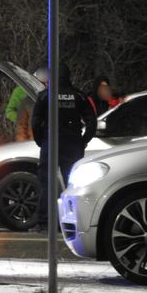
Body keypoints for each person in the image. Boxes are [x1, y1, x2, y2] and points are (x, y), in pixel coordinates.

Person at [32, 63, 96, 228]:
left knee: (47, 183)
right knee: (73, 184)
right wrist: (83, 141)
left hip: (50, 144)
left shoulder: (44, 96)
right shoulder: (79, 96)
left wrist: (41, 141)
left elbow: (35, 122)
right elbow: (91, 121)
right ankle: (73, 222)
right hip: (73, 145)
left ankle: (45, 222)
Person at [15, 67, 49, 141]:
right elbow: (21, 127)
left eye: (48, 83)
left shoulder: (58, 99)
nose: (46, 85)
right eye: (43, 83)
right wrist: (22, 146)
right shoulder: (27, 102)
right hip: (33, 144)